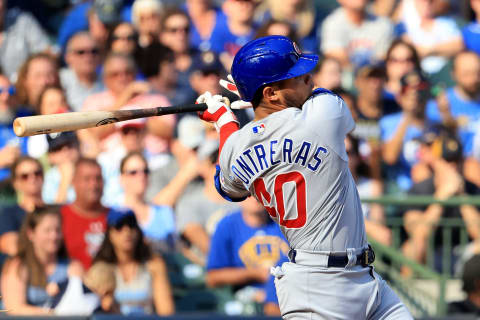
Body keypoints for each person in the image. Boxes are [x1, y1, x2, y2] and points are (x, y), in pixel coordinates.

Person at [198, 35, 412, 319]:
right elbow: (325, 97)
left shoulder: (236, 147)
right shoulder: (322, 115)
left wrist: (225, 121)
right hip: (318, 287)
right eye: (296, 76)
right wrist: (250, 97)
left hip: (362, 276)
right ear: (271, 93)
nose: (308, 78)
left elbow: (228, 188)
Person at [206, 196, 289, 314]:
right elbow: (213, 277)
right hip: (248, 301)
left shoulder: (284, 223)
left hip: (286, 293)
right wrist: (257, 274)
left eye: (257, 190)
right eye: (247, 193)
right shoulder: (226, 225)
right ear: (238, 195)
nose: (254, 197)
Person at [1, 206, 83, 315]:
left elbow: (83, 303)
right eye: (47, 230)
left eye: (57, 230)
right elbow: (14, 308)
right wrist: (52, 314)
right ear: (31, 233)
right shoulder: (18, 266)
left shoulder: (72, 266)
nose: (54, 236)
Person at [92, 208, 174, 316]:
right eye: (119, 226)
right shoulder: (100, 270)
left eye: (131, 225)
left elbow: (166, 312)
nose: (127, 232)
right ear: (110, 234)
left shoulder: (154, 266)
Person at [60, 158, 109, 270]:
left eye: (98, 178)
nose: (94, 185)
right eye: (87, 179)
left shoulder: (116, 218)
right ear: (74, 182)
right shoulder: (60, 217)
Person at [320, 0, 394, 69]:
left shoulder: (383, 24)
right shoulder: (332, 24)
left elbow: (383, 57)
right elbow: (336, 57)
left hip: (374, 77)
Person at [0, 156, 44, 256]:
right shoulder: (9, 213)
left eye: (37, 173)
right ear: (16, 183)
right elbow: (10, 246)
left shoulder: (55, 210)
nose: (32, 178)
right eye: (25, 176)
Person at [61, 32, 103, 112]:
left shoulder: (111, 79)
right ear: (67, 57)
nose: (88, 56)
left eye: (94, 51)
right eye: (81, 52)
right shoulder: (58, 81)